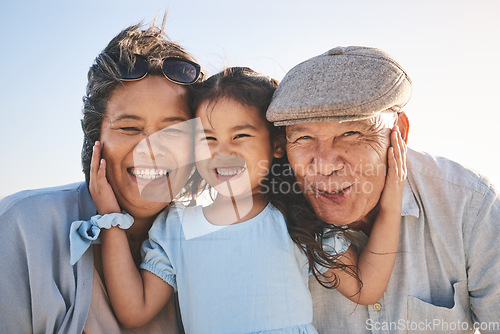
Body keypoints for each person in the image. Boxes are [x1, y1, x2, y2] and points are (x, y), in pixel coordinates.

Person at [89, 67, 407, 333]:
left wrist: (391, 206)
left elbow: (366, 287)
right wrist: (110, 219)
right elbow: (134, 310)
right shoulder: (177, 225)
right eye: (208, 138)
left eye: (240, 135)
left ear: (276, 145)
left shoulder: (294, 220)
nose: (223, 152)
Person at [266, 46, 500, 333]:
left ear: (398, 132)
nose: (325, 165)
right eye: (303, 138)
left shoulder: (470, 204)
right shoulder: (268, 219)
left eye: (351, 133)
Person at [0, 21, 203, 333]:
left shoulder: (214, 241)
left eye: (172, 130)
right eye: (129, 128)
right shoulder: (23, 227)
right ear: (96, 137)